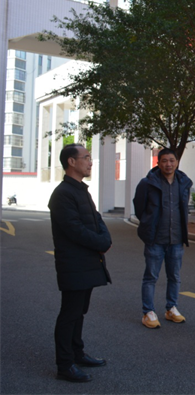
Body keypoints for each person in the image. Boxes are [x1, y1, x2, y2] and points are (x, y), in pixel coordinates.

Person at [49, 144, 112, 383]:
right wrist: (100, 243)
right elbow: (74, 229)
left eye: (90, 157)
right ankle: (65, 365)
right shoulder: (62, 194)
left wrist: (105, 239)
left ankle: (77, 353)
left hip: (87, 262)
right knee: (70, 314)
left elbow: (96, 219)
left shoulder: (81, 190)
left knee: (79, 312)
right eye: (86, 157)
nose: (90, 162)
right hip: (73, 264)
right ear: (71, 162)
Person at [134, 149, 193, 329]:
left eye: (172, 160)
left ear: (177, 162)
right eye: (165, 161)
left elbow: (183, 208)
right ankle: (148, 312)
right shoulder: (147, 183)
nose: (169, 164)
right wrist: (148, 224)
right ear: (158, 163)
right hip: (155, 239)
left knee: (174, 276)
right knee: (151, 276)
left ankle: (171, 308)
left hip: (176, 239)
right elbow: (139, 208)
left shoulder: (183, 182)